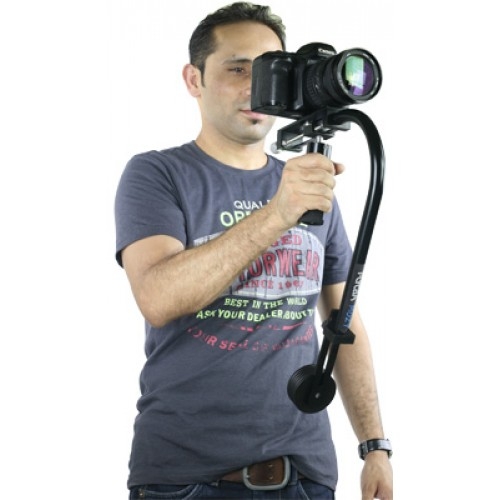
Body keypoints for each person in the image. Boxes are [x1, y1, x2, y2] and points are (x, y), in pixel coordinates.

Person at [115, 2, 393, 499]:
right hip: (185, 480)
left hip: (305, 476)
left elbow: (344, 322)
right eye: (238, 69)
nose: (255, 87)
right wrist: (277, 213)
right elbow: (158, 297)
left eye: (269, 70)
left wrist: (374, 445)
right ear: (194, 79)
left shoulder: (310, 187)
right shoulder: (157, 174)